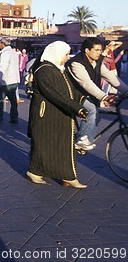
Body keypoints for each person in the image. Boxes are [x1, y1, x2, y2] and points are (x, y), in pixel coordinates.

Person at [27, 41, 89, 188]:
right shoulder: (44, 70)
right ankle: (36, 172)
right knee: (44, 145)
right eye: (66, 54)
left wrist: (83, 100)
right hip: (46, 115)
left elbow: (70, 90)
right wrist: (76, 108)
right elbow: (53, 93)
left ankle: (67, 176)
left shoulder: (58, 69)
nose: (67, 58)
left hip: (59, 113)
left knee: (61, 145)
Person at [66, 37, 128, 151]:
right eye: (97, 50)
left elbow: (110, 77)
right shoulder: (76, 63)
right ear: (87, 50)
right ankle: (81, 141)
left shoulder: (97, 62)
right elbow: (86, 83)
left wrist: (126, 91)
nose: (100, 52)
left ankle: (83, 137)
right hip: (73, 93)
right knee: (92, 110)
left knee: (96, 115)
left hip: (86, 94)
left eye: (100, 50)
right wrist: (104, 96)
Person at [0, 37, 20, 123]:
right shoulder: (13, 52)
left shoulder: (5, 53)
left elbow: (2, 68)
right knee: (13, 100)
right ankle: (14, 117)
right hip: (14, 80)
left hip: (5, 81)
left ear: (2, 44)